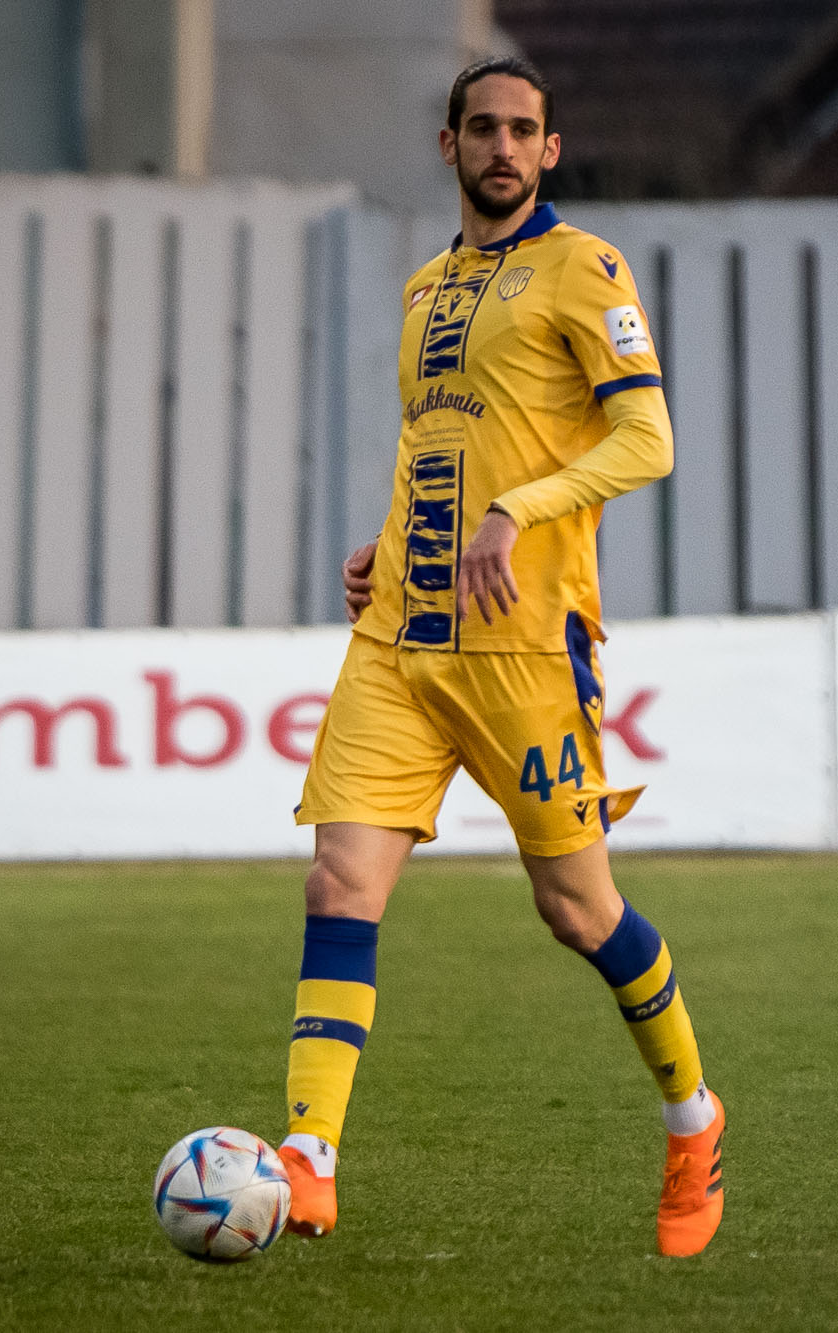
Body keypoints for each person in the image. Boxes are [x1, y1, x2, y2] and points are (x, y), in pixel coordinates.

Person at [272, 56, 725, 1257]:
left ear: (550, 150)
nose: (503, 147)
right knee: (338, 883)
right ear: (450, 146)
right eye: (482, 128)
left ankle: (692, 1117)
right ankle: (308, 1157)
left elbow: (648, 439)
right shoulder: (425, 287)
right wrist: (385, 547)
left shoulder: (585, 268)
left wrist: (518, 512)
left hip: (525, 645)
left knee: (577, 909)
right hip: (401, 640)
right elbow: (436, 443)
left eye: (524, 130)